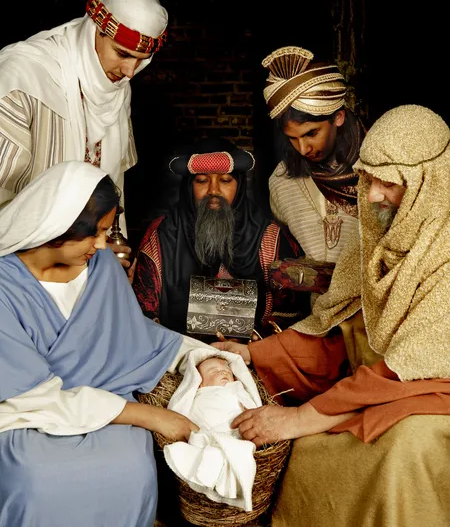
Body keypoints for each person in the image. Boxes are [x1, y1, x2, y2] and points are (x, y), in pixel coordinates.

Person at [213, 105, 450, 526]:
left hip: (430, 404)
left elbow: (407, 372)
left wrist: (300, 418)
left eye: (388, 184)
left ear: (425, 186)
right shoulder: (378, 233)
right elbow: (339, 333)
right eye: (368, 178)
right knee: (308, 452)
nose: (372, 195)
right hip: (377, 393)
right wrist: (253, 356)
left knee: (404, 451)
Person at [0, 160, 213, 527]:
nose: (102, 245)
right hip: (28, 415)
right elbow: (29, 397)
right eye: (93, 233)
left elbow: (136, 334)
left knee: (130, 469)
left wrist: (203, 354)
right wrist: (152, 417)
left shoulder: (103, 269)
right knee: (39, 479)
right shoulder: (4, 286)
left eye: (106, 231)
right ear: (57, 227)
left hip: (106, 403)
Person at [0, 0, 168, 268]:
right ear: (96, 30)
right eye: (123, 54)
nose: (130, 71)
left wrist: (111, 255)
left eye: (142, 60)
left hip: (87, 258)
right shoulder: (23, 74)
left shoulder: (117, 88)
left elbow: (112, 186)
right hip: (15, 262)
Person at [132, 136, 303, 337]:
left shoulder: (269, 236)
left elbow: (292, 309)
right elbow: (142, 311)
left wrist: (259, 337)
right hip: (180, 354)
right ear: (189, 185)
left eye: (225, 180)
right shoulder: (163, 234)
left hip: (252, 355)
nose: (213, 191)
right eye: (202, 181)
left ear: (239, 185)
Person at [262, 45, 366, 263]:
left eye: (311, 133)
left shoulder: (379, 171)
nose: (303, 148)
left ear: (337, 118)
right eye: (293, 138)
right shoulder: (281, 181)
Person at [163, 348, 261, 511]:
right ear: (199, 381)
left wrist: (248, 408)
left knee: (238, 440)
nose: (223, 372)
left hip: (235, 430)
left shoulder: (236, 389)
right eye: (214, 371)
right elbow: (183, 416)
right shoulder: (197, 395)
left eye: (226, 370)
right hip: (207, 430)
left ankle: (225, 447)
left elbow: (253, 411)